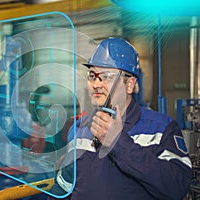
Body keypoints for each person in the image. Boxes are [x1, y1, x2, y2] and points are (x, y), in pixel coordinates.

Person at [49, 37, 192, 199]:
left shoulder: (161, 129)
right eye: (92, 75)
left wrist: (118, 143)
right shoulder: (79, 129)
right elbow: (63, 187)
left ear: (129, 84)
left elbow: (178, 187)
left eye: (107, 76)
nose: (96, 84)